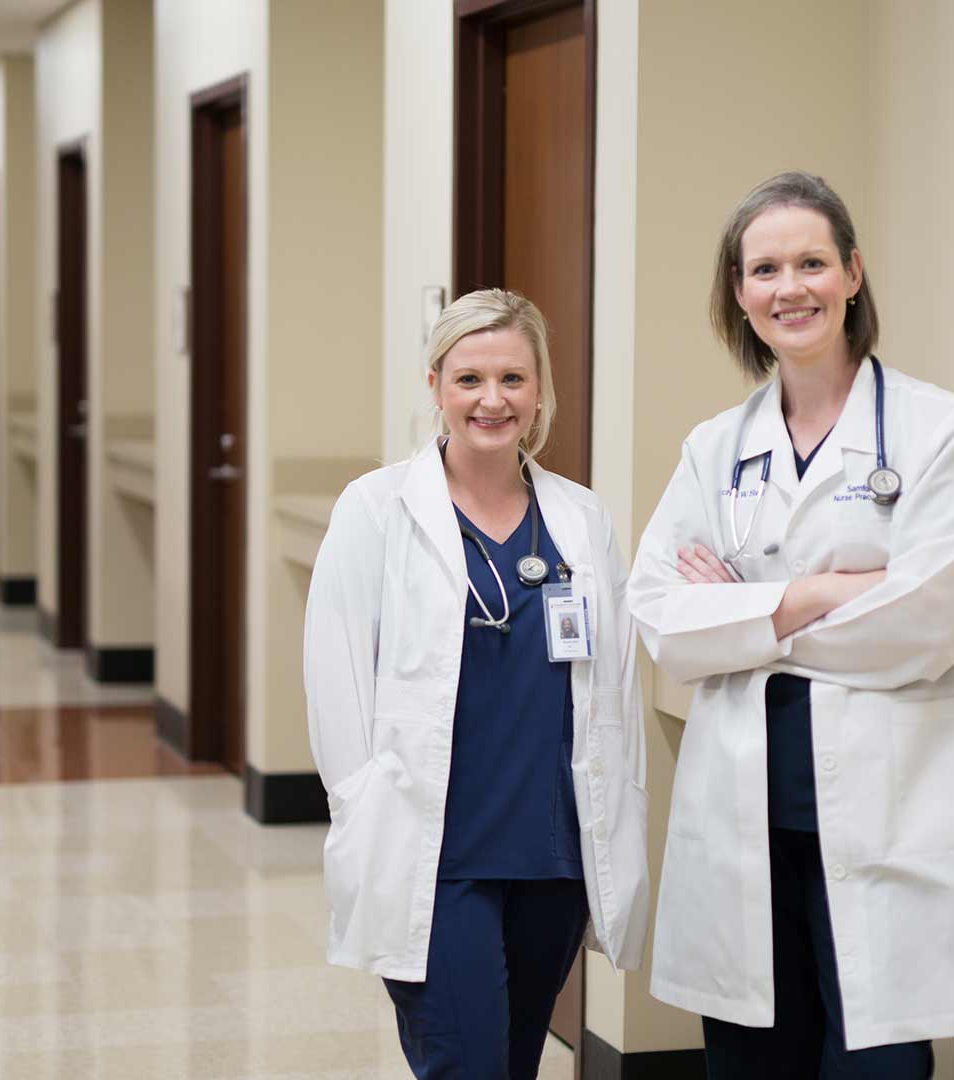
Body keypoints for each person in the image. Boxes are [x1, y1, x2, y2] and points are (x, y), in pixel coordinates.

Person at [626, 172, 954, 1077]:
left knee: (877, 1061)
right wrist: (815, 594)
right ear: (739, 292)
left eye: (810, 263)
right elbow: (664, 619)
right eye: (764, 269)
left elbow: (926, 621)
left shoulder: (935, 430)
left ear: (853, 274)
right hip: (745, 810)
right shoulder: (715, 448)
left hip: (887, 806)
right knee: (753, 1060)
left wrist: (744, 614)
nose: (789, 288)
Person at [305, 288, 650, 1079]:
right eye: (469, 379)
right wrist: (362, 802)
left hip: (551, 854)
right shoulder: (377, 509)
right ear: (435, 385)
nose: (492, 400)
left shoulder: (579, 517)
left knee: (515, 1064)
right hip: (434, 849)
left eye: (513, 380)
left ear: (539, 392)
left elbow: (615, 689)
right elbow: (336, 678)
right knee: (466, 1066)